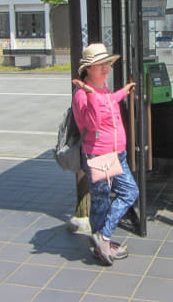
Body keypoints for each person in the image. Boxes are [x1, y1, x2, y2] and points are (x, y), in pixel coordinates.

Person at [72, 43, 138, 266]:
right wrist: (90, 96)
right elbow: (92, 125)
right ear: (88, 69)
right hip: (100, 155)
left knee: (129, 192)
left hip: (116, 153)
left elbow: (109, 102)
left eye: (107, 63)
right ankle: (103, 242)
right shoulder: (83, 95)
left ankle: (102, 238)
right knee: (101, 201)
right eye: (100, 64)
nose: (106, 67)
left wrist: (124, 91)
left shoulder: (104, 88)